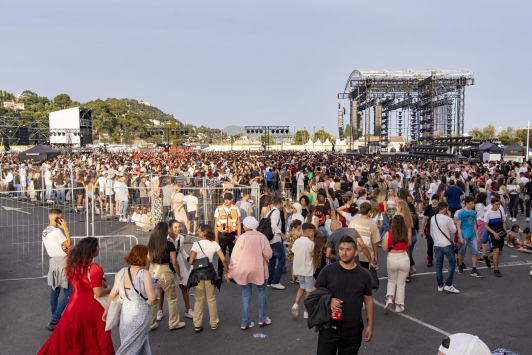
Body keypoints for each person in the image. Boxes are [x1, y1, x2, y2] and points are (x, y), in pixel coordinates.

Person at [38, 237, 114, 355]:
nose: (99, 248)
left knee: (75, 334)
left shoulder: (74, 265)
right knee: (95, 337)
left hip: (75, 303)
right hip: (92, 307)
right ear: (92, 251)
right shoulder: (95, 269)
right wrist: (108, 289)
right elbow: (98, 292)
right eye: (97, 247)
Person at [312, 235, 374, 354]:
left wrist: (370, 326)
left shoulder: (364, 274)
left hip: (353, 329)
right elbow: (315, 293)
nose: (344, 253)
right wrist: (329, 301)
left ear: (355, 253)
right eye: (341, 249)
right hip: (328, 327)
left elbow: (369, 300)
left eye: (348, 249)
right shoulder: (328, 270)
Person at [103, 245, 157, 355]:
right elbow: (152, 297)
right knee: (130, 349)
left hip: (125, 315)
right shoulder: (144, 274)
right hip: (141, 314)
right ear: (143, 257)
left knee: (131, 344)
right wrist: (157, 288)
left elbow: (113, 293)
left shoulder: (122, 272)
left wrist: (107, 310)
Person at [227, 217, 273, 330]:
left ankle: (245, 321)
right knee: (262, 293)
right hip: (259, 269)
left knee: (246, 294)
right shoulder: (262, 237)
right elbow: (269, 254)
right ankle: (262, 319)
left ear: (246, 226)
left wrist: (231, 273)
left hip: (244, 270)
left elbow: (234, 258)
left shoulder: (241, 238)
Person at [189, 224, 229, 332]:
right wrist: (227, 272)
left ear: (203, 233)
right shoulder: (214, 244)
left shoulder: (196, 244)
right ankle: (214, 323)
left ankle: (197, 324)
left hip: (198, 274)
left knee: (198, 299)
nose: (198, 231)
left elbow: (190, 261)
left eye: (199, 230)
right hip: (210, 273)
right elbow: (223, 259)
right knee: (211, 299)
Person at [147, 222, 185, 331]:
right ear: (165, 231)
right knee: (172, 297)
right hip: (164, 270)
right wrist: (178, 274)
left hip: (153, 270)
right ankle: (173, 322)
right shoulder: (169, 244)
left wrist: (145, 273)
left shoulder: (151, 243)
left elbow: (147, 260)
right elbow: (174, 262)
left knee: (152, 298)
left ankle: (151, 323)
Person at [157, 220, 194, 322]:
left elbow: (181, 251)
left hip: (179, 263)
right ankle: (159, 311)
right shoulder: (165, 239)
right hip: (167, 264)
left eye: (179, 227)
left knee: (184, 286)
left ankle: (188, 310)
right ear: (169, 228)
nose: (178, 229)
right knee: (162, 288)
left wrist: (188, 258)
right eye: (175, 227)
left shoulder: (181, 238)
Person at [42, 208, 72, 331]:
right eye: (61, 217)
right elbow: (69, 245)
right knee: (69, 291)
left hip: (53, 261)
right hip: (62, 262)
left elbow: (60, 245)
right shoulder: (57, 231)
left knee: (54, 292)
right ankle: (55, 319)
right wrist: (65, 229)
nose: (62, 219)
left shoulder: (45, 231)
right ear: (57, 219)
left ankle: (56, 319)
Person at [382, 215, 411, 313]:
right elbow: (408, 244)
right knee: (401, 284)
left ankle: (389, 297)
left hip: (392, 258)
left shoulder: (388, 234)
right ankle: (399, 305)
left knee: (391, 280)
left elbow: (384, 248)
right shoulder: (406, 233)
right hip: (404, 257)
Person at [431, 202, 460, 293]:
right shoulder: (447, 219)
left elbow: (431, 233)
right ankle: (448, 284)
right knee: (452, 262)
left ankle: (440, 285)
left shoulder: (433, 218)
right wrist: (450, 217)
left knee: (439, 265)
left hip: (437, 244)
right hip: (446, 244)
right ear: (445, 209)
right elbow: (454, 230)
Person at [291, 223, 316, 319]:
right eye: (312, 231)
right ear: (309, 231)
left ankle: (296, 304)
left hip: (298, 268)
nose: (313, 233)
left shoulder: (297, 241)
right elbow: (313, 256)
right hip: (308, 269)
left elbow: (294, 251)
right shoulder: (311, 244)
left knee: (301, 287)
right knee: (309, 290)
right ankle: (306, 311)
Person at [214, 192, 241, 278]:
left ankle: (232, 275)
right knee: (221, 256)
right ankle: (220, 275)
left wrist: (238, 235)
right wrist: (216, 237)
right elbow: (216, 223)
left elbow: (239, 222)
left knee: (232, 256)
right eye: (225, 199)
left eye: (229, 200)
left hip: (232, 234)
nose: (227, 201)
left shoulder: (236, 208)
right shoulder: (219, 209)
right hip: (222, 235)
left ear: (232, 200)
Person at [456, 195, 482, 277]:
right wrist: (460, 236)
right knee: (461, 252)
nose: (473, 204)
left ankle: (474, 268)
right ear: (467, 203)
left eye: (473, 203)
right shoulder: (461, 213)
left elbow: (474, 224)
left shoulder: (473, 212)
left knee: (475, 252)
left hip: (472, 235)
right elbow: (458, 225)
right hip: (464, 235)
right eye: (472, 203)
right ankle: (460, 266)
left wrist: (477, 235)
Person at [349, 202, 380, 269]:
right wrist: (376, 256)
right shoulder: (373, 225)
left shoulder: (352, 223)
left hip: (354, 255)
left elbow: (348, 239)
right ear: (369, 212)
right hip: (367, 257)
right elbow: (375, 243)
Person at [267, 197, 288, 289]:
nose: (282, 207)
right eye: (282, 205)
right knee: (282, 260)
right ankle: (275, 281)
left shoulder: (270, 212)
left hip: (270, 239)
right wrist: (282, 234)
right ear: (279, 204)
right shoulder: (276, 212)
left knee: (272, 261)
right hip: (275, 239)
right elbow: (274, 226)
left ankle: (269, 280)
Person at [483, 198, 507, 277]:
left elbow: (503, 222)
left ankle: (488, 257)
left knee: (499, 252)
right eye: (496, 204)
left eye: (499, 204)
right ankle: (496, 270)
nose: (498, 206)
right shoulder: (488, 213)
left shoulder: (500, 211)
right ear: (492, 204)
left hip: (501, 233)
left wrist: (505, 232)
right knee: (496, 251)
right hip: (493, 235)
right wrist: (494, 233)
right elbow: (485, 225)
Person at [421, 195, 440, 267]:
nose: (434, 201)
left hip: (438, 227)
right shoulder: (428, 207)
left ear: (438, 200)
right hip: (429, 227)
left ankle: (438, 258)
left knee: (437, 244)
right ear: (431, 200)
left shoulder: (440, 207)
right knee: (429, 244)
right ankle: (430, 259)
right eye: (433, 199)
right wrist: (422, 230)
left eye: (436, 199)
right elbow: (424, 218)